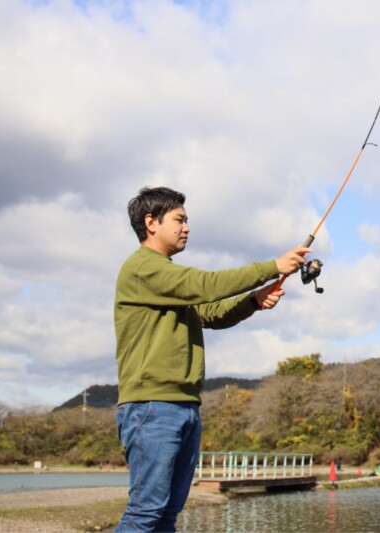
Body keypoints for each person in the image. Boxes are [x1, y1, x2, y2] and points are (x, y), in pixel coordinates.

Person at [114, 186, 310, 532]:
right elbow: (206, 285)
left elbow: (213, 312)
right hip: (151, 407)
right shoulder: (144, 269)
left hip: (184, 406)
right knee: (145, 513)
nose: (187, 227)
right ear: (151, 222)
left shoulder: (167, 278)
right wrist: (271, 266)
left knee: (166, 516)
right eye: (180, 219)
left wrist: (254, 300)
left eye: (187, 220)